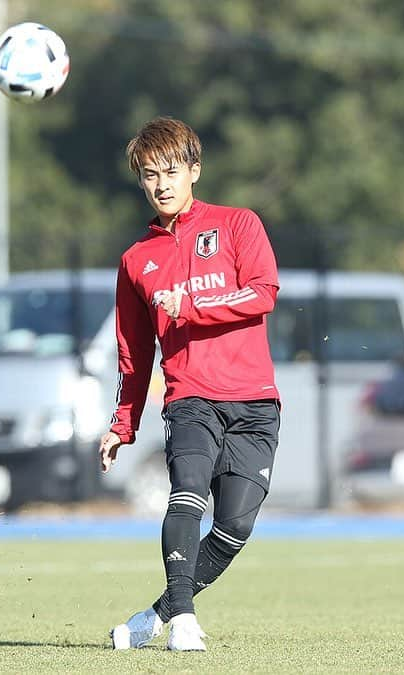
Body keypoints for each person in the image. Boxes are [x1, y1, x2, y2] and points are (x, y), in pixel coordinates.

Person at [99, 116, 281, 652]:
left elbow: (263, 294)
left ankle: (153, 617)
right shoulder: (136, 259)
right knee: (186, 497)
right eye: (150, 174)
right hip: (190, 399)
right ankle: (183, 619)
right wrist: (121, 424)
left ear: (194, 171)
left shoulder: (238, 225)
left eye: (171, 171)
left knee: (233, 531)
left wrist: (194, 306)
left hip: (254, 402)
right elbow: (133, 355)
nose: (161, 184)